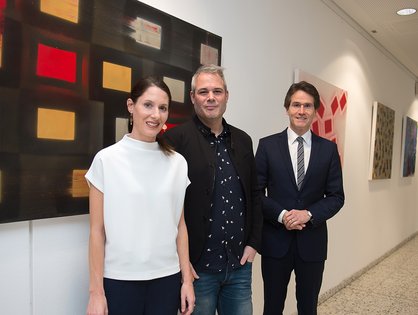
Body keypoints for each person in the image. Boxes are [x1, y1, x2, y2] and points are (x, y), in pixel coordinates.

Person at [85, 76, 195, 315]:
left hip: (167, 279)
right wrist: (96, 293)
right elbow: (96, 231)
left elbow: (180, 225)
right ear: (130, 106)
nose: (156, 114)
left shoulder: (178, 163)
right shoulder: (106, 160)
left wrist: (186, 281)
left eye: (163, 108)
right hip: (120, 280)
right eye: (148, 105)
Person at [163, 64, 262, 315]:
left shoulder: (242, 140)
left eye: (217, 91)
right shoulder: (175, 141)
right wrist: (182, 263)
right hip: (199, 270)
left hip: (239, 266)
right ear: (192, 97)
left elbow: (254, 194)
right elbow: (166, 207)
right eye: (203, 91)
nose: (211, 98)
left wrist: (253, 244)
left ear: (226, 96)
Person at [255, 81, 345, 315]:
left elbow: (336, 196)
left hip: (312, 244)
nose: (301, 111)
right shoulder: (267, 146)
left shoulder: (328, 150)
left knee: (308, 308)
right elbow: (256, 192)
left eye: (307, 106)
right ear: (287, 108)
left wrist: (309, 214)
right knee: (272, 307)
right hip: (276, 242)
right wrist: (283, 215)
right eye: (296, 105)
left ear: (315, 111)